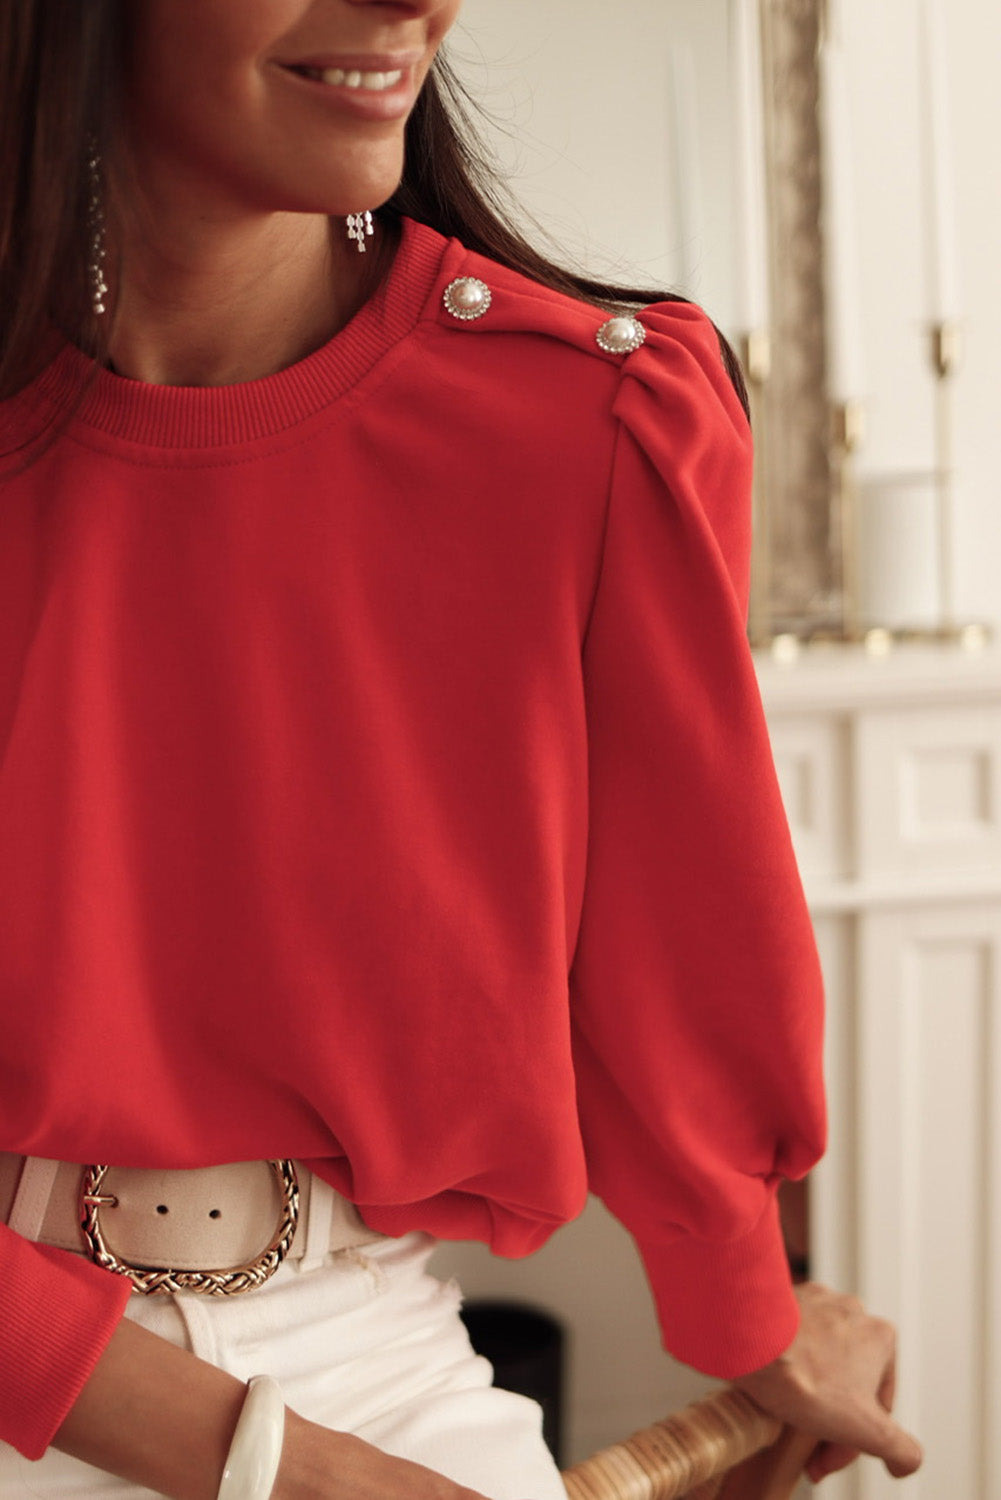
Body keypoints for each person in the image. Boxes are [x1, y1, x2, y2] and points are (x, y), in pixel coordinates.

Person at [0, 2, 923, 1497]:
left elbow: (675, 953)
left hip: (363, 1356)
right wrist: (281, 1470)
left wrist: (742, 1297)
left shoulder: (592, 420)